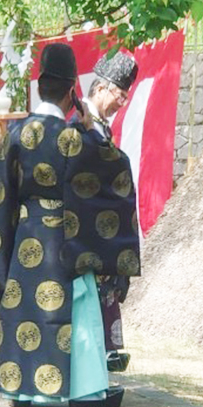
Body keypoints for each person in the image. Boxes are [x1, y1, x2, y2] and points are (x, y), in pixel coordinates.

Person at [0, 42, 141, 407]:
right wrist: (91, 131)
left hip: (26, 243)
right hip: (69, 243)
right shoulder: (75, 138)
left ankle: (24, 389)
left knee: (27, 312)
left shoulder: (14, 136)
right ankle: (80, 390)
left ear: (38, 86)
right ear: (72, 91)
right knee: (74, 312)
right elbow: (116, 175)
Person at [79, 51, 139, 372]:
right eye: (120, 95)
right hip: (89, 231)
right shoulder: (79, 122)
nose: (121, 103)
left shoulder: (100, 125)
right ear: (101, 88)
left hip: (105, 233)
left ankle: (102, 364)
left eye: (126, 97)